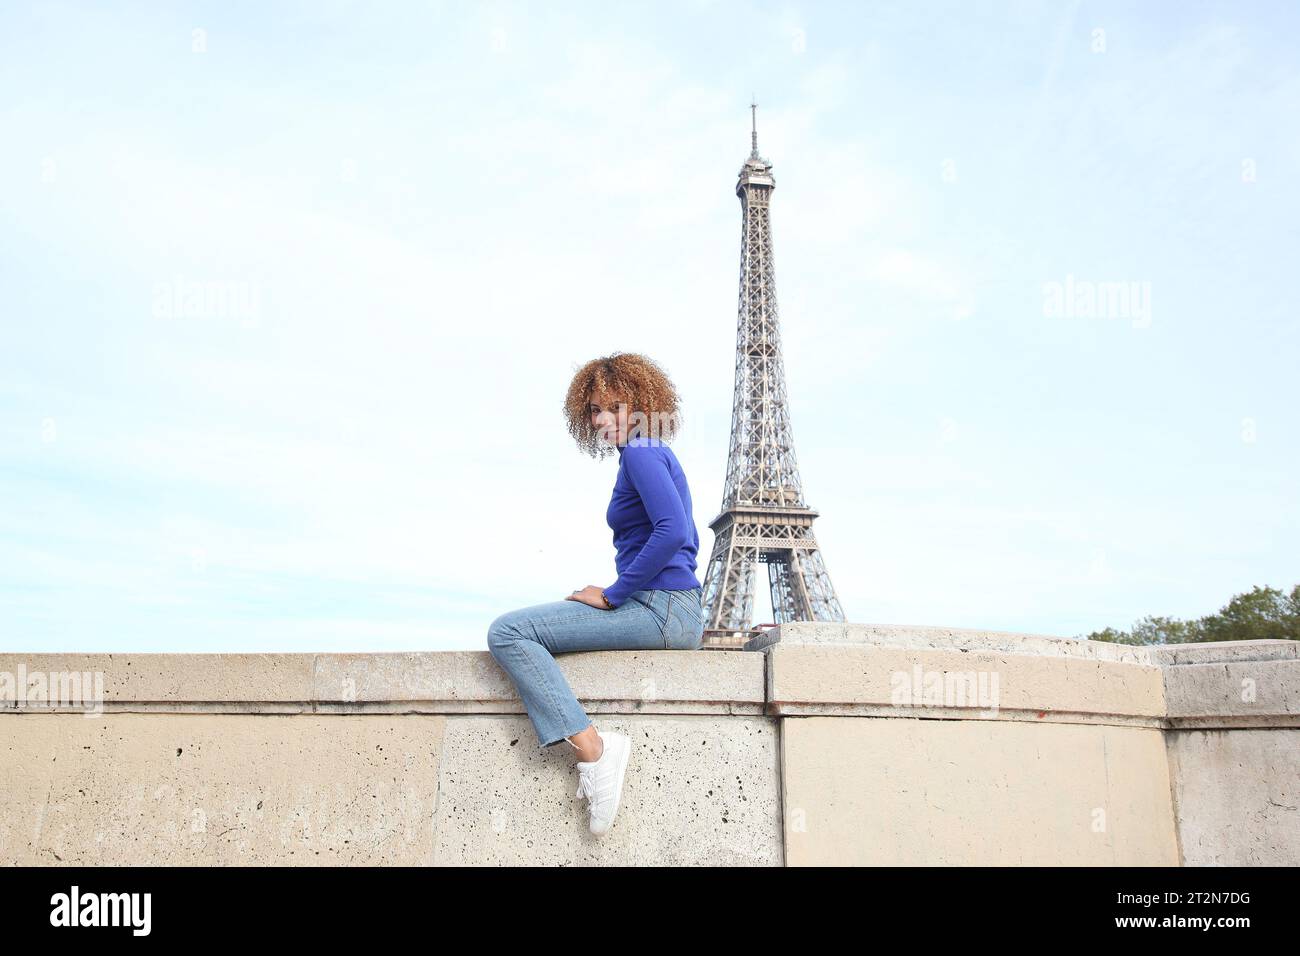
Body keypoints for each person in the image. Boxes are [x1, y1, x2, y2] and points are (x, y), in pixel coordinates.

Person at [486, 352, 705, 836]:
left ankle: (594, 749)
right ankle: (593, 748)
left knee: (509, 632)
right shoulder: (649, 453)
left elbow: (673, 531)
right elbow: (683, 535)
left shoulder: (641, 451)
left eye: (614, 407)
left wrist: (614, 594)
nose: (603, 419)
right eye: (594, 410)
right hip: (673, 607)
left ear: (643, 405)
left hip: (662, 607)